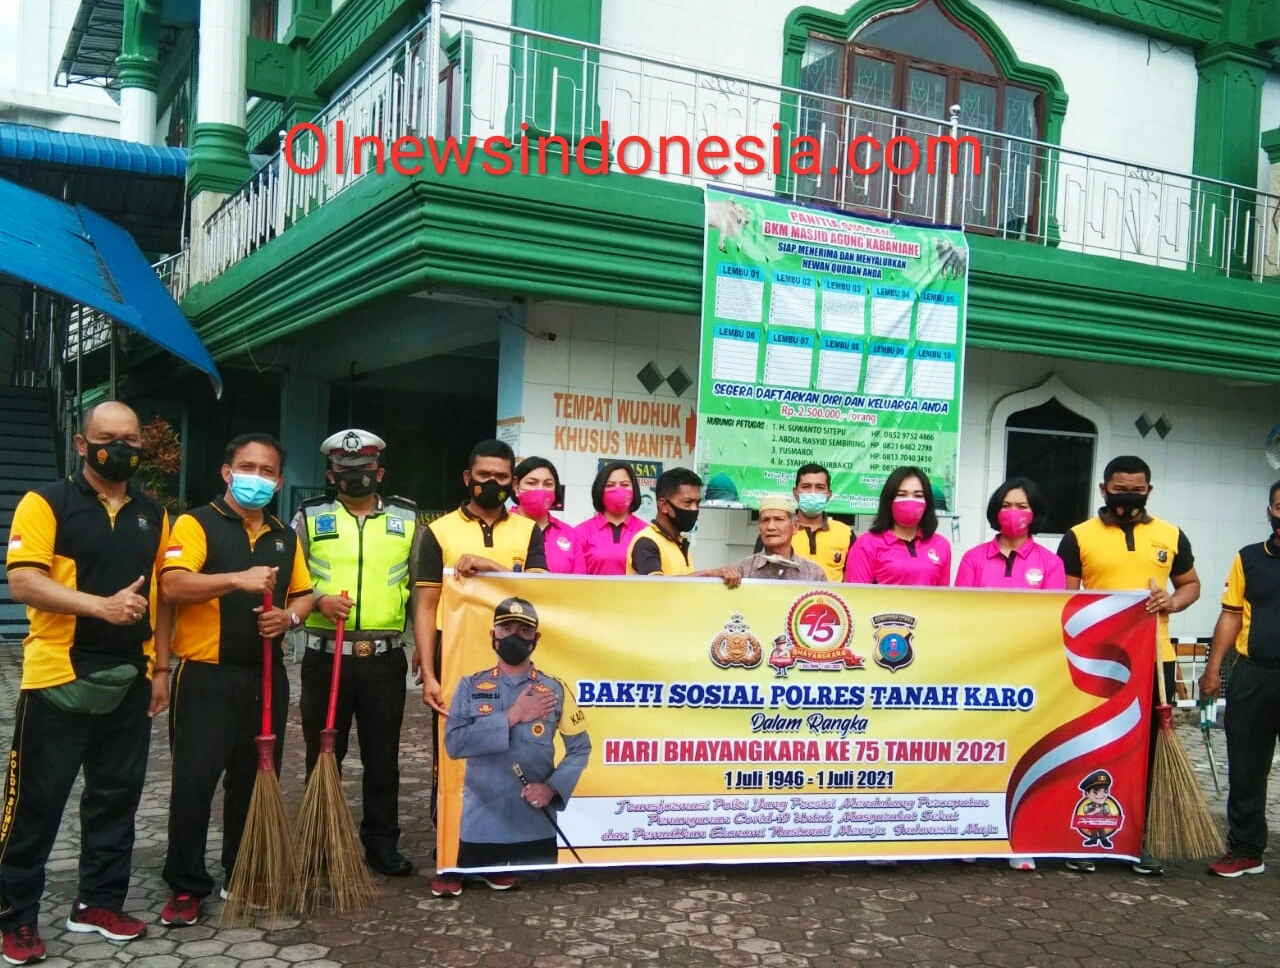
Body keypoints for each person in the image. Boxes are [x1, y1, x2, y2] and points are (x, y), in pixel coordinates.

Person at [0, 402, 170, 963]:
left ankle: (98, 902)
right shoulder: (47, 502)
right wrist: (101, 607)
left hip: (130, 678)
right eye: (107, 438)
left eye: (130, 439)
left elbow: (161, 598)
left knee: (116, 799)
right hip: (57, 675)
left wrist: (161, 669)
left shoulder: (153, 512)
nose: (119, 448)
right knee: (36, 802)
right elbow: (24, 582)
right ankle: (15, 916)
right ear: (81, 444)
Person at [157, 433, 314, 926]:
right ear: (227, 472)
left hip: (265, 677)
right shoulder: (196, 522)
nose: (257, 478)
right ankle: (185, 884)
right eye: (248, 467)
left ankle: (241, 871)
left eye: (267, 472)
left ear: (279, 482)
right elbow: (172, 585)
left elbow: (305, 594)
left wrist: (289, 618)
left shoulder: (285, 536)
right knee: (194, 783)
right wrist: (237, 579)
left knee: (253, 779)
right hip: (205, 677)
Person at [1057, 455, 1200, 876]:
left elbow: (1191, 585)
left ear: (1149, 491)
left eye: (1137, 490)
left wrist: (1172, 601)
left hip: (1155, 659)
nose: (1129, 497)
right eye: (1120, 489)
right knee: (1095, 744)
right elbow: (1064, 600)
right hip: (1097, 662)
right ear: (1104, 489)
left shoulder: (1171, 535)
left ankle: (1141, 840)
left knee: (1148, 751)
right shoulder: (1078, 537)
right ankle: (1086, 835)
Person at [292, 429, 419, 877]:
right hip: (326, 657)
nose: (355, 477)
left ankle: (381, 845)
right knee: (323, 755)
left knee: (382, 759)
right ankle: (320, 841)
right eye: (345, 471)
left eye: (364, 470)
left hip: (384, 659)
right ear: (331, 475)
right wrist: (319, 601)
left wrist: (425, 646)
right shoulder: (309, 517)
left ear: (379, 473)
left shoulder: (407, 518)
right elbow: (292, 581)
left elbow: (420, 589)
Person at [432, 597, 591, 897]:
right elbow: (454, 744)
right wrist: (512, 716)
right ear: (492, 635)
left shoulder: (555, 689)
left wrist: (552, 789)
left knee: (541, 899)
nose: (514, 636)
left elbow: (580, 748)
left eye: (524, 630)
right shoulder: (470, 686)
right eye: (506, 629)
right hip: (481, 827)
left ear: (536, 638)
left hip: (536, 826)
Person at [954, 477, 1065, 871]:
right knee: (977, 753)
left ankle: (1019, 839)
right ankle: (969, 832)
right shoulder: (973, 559)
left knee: (1021, 754)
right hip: (979, 669)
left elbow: (1051, 619)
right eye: (1006, 505)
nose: (1013, 513)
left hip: (1027, 673)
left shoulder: (1050, 563)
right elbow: (958, 613)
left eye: (1022, 506)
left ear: (1035, 513)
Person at [412, 439, 548, 716]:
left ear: (513, 482)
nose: (491, 483)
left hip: (515, 653)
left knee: (516, 733)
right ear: (467, 477)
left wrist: (490, 567)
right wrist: (428, 672)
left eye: (500, 476)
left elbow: (537, 593)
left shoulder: (529, 531)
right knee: (456, 736)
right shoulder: (438, 531)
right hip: (454, 652)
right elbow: (426, 607)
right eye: (483, 475)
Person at [1198, 480, 1280, 878]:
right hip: (1253, 675)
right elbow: (1231, 614)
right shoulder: (1248, 558)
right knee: (1246, 767)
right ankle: (1247, 849)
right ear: (1270, 512)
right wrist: (1213, 668)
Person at [625, 467, 740, 586]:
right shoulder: (646, 542)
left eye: (697, 503)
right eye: (688, 502)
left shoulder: (679, 542)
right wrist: (708, 574)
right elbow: (657, 586)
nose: (694, 509)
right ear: (663, 505)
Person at [844, 466, 951, 586]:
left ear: (928, 502)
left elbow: (943, 594)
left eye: (918, 495)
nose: (910, 501)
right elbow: (857, 595)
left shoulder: (941, 545)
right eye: (902, 494)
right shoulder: (866, 544)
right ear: (889, 500)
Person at [761, 463, 854, 581]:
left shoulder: (845, 533)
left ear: (829, 494)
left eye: (820, 487)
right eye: (806, 486)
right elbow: (758, 572)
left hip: (829, 594)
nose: (812, 493)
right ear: (795, 493)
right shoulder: (775, 531)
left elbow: (852, 582)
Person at [573, 462, 648, 576]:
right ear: (599, 490)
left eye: (624, 484)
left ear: (635, 490)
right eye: (610, 485)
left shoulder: (646, 532)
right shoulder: (580, 533)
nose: (618, 490)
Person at [733, 496, 827, 581]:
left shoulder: (814, 574)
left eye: (779, 520)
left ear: (795, 526)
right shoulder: (742, 571)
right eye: (765, 520)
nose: (770, 527)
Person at [511, 457, 579, 574]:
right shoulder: (501, 526)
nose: (540, 489)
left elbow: (580, 581)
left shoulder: (569, 533)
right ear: (516, 487)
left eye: (548, 484)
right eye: (532, 483)